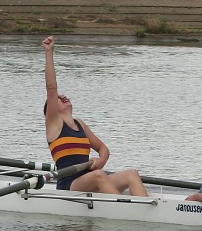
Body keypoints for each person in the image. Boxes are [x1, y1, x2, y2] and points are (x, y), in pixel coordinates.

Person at [43, 36, 148, 196]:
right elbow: (51, 87)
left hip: (91, 179)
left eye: (63, 95)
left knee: (131, 174)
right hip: (69, 185)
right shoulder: (54, 124)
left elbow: (103, 148)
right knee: (99, 176)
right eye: (58, 98)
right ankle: (124, 210)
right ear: (51, 110)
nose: (63, 96)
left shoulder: (80, 124)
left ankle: (143, 212)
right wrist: (49, 53)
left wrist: (101, 161)